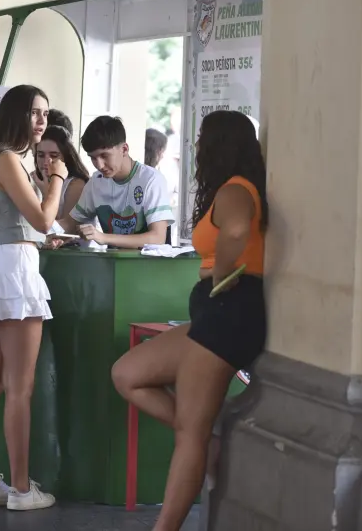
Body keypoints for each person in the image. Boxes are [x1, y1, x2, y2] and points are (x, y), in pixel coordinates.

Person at [111, 111, 267, 531]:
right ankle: (211, 445)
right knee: (128, 373)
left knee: (190, 433)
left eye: (202, 139)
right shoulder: (229, 188)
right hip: (213, 315)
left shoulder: (237, 188)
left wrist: (222, 275)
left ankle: (166, 525)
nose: (196, 147)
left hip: (227, 313)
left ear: (219, 144)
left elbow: (235, 231)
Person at [0, 84, 62, 511]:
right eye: (35, 112)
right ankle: (21, 489)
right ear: (16, 115)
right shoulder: (9, 158)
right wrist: (57, 179)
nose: (41, 120)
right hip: (13, 272)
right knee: (17, 388)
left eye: (45, 113)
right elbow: (42, 219)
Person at [59, 116, 173, 248]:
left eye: (104, 155)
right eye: (93, 158)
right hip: (113, 265)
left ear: (124, 149)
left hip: (148, 266)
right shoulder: (96, 182)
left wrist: (103, 237)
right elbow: (69, 224)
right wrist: (41, 233)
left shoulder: (151, 179)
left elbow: (157, 237)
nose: (99, 165)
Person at [34, 125, 91, 226]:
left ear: (66, 157)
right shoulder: (34, 179)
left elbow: (64, 230)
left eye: (54, 155)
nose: (46, 162)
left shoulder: (76, 184)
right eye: (41, 155)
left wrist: (47, 193)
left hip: (72, 241)